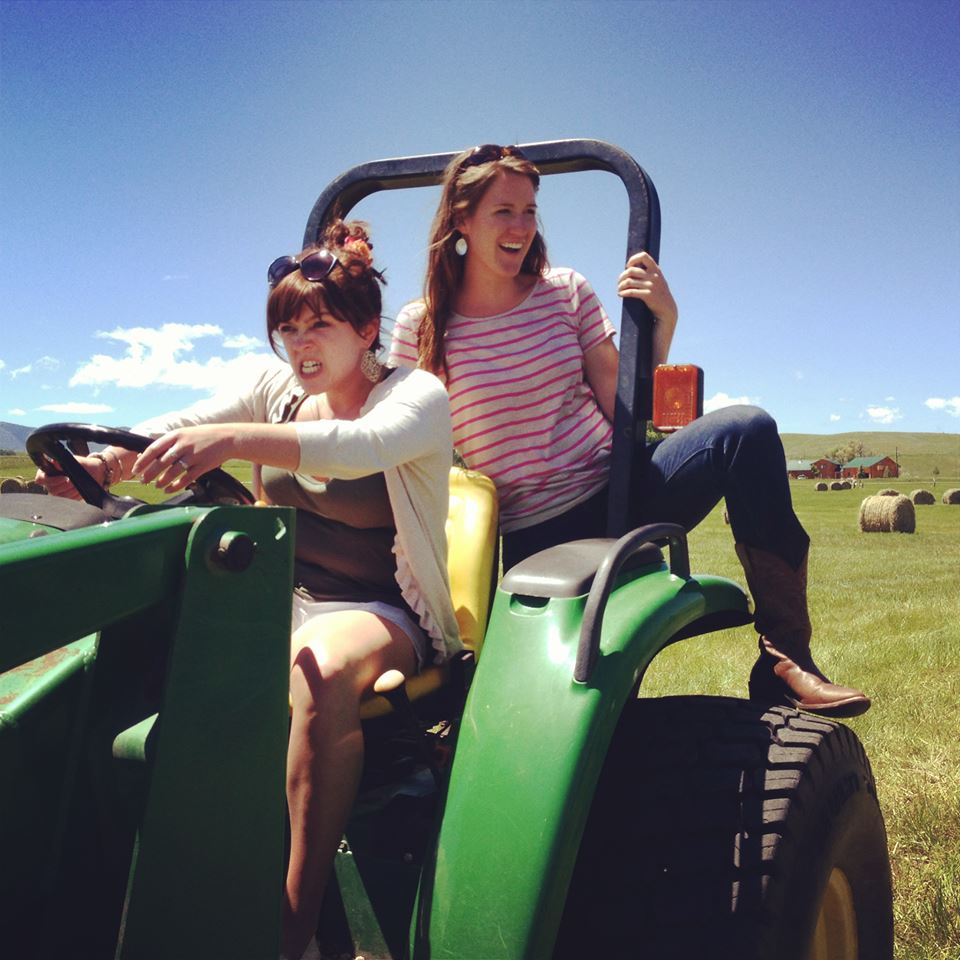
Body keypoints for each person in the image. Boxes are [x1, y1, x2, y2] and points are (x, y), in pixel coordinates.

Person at [39, 221, 460, 960]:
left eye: (320, 325)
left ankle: (292, 925)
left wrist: (235, 441)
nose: (301, 344)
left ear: (367, 330)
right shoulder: (277, 392)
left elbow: (361, 448)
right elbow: (190, 419)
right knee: (152, 632)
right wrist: (105, 461)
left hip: (380, 610)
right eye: (288, 328)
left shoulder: (416, 395)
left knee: (318, 671)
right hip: (285, 598)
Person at [389, 144, 870, 719]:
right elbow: (405, 441)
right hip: (531, 534)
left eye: (529, 211)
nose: (521, 227)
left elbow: (629, 404)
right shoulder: (424, 327)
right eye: (503, 212)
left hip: (622, 492)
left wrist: (663, 322)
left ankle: (785, 661)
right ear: (462, 219)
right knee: (554, 716)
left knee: (748, 430)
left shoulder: (564, 291)